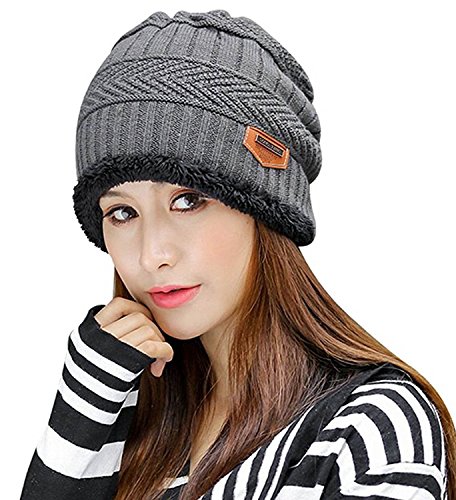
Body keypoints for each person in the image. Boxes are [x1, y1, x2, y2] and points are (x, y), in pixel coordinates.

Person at [19, 9, 454, 500]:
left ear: (264, 210)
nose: (151, 254)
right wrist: (82, 411)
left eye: (188, 200)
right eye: (122, 213)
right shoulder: (130, 420)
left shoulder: (371, 427)